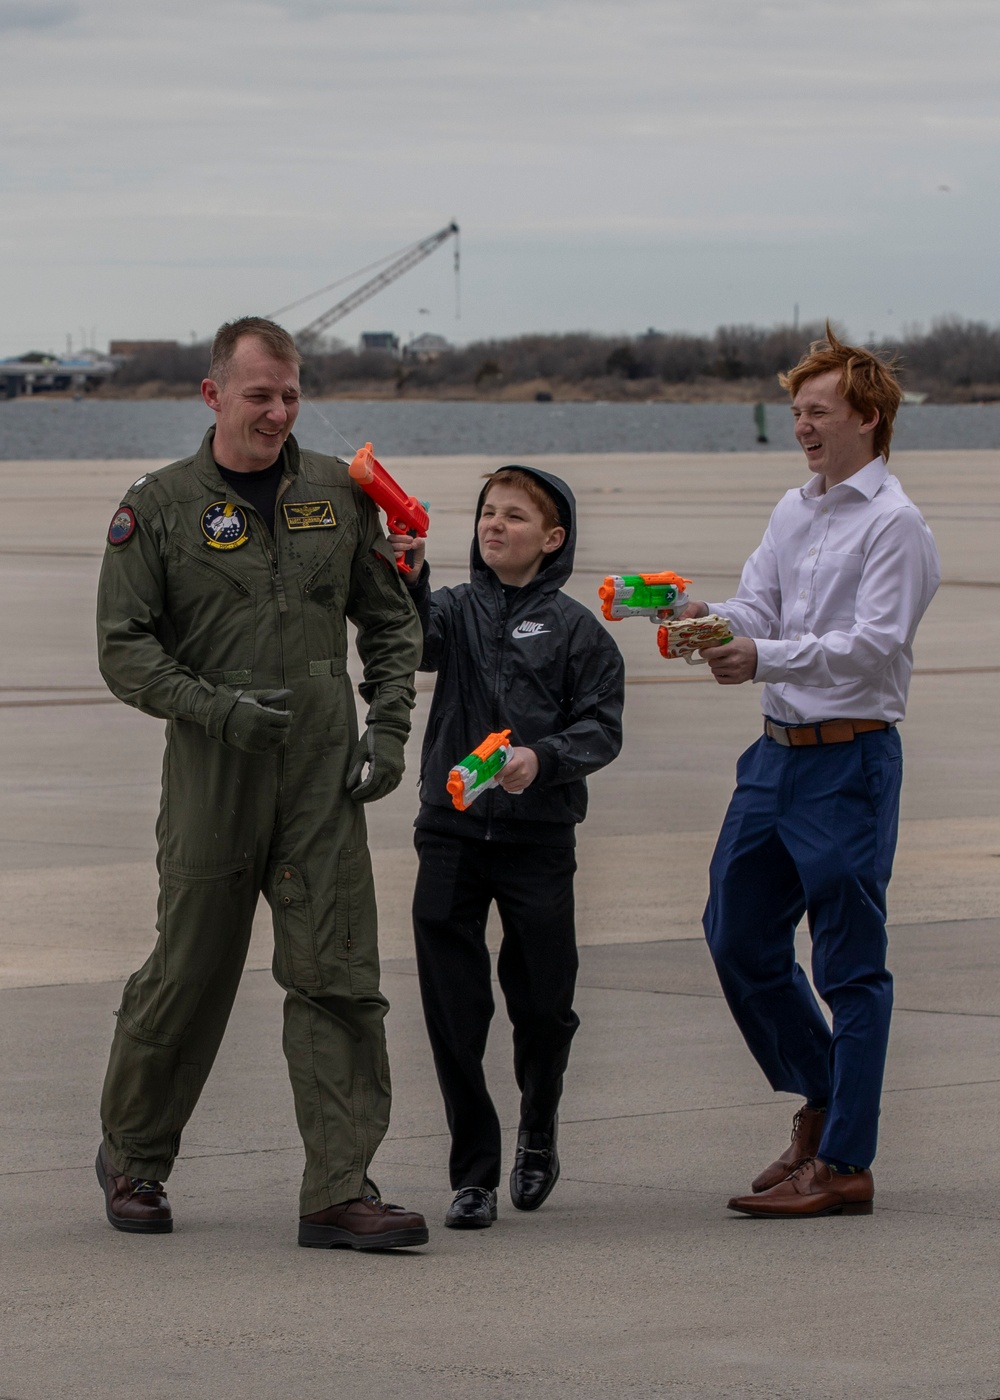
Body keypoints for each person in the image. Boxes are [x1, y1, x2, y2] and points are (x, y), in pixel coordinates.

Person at [94, 316, 429, 1250]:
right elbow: (124, 651)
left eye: (290, 394)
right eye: (259, 395)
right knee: (190, 973)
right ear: (213, 396)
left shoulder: (337, 491)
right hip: (215, 770)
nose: (278, 412)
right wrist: (215, 710)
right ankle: (133, 1158)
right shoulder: (157, 508)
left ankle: (339, 1186)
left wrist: (391, 727)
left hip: (323, 777)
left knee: (341, 977)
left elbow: (391, 623)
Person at [684, 327, 940, 1218]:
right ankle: (826, 1100)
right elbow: (758, 604)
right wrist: (707, 619)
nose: (802, 427)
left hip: (851, 759)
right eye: (795, 412)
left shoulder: (896, 526)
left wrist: (760, 656)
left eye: (818, 412)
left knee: (849, 966)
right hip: (776, 759)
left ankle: (844, 1164)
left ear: (868, 419)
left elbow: (871, 649)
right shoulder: (795, 510)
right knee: (736, 935)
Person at [389, 467, 624, 1229]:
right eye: (489, 513)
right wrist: (409, 572)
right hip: (451, 832)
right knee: (455, 1010)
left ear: (552, 539)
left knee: (544, 1006)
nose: (495, 526)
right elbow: (410, 639)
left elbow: (602, 727)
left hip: (537, 838)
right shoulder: (452, 612)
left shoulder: (577, 629)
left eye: (516, 517)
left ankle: (539, 1130)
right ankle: (474, 1173)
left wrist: (541, 760)